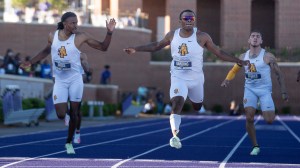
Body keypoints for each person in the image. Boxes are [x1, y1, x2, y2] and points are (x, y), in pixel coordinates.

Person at [124, 9, 249, 149]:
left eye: (191, 18)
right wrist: (136, 49)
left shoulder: (202, 37)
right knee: (177, 102)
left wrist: (239, 61)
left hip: (196, 79)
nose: (189, 20)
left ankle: (194, 101)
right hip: (178, 77)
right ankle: (175, 136)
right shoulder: (172, 35)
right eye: (186, 18)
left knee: (197, 106)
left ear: (194, 21)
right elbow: (156, 46)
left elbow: (219, 52)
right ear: (180, 21)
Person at [20, 12, 116, 154]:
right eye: (73, 23)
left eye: (77, 23)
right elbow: (46, 50)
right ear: (65, 24)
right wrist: (30, 62)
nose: (76, 25)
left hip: (75, 79)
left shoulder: (81, 37)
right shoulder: (52, 36)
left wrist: (109, 33)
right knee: (60, 114)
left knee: (75, 111)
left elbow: (103, 47)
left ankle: (69, 142)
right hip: (60, 80)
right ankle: (69, 120)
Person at [221, 30, 289, 155]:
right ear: (249, 40)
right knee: (249, 117)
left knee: (269, 120)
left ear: (261, 41)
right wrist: (227, 79)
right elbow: (234, 70)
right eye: (253, 36)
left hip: (264, 91)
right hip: (250, 89)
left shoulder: (268, 56)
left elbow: (279, 74)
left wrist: (284, 91)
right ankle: (255, 146)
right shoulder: (243, 57)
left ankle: (261, 104)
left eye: (258, 36)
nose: (255, 38)